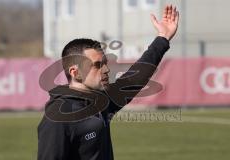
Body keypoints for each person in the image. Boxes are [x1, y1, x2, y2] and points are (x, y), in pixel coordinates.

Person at [37, 5, 179, 160]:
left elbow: (134, 78)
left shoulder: (101, 101)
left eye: (105, 63)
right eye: (97, 65)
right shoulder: (57, 118)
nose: (106, 69)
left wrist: (162, 38)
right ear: (75, 72)